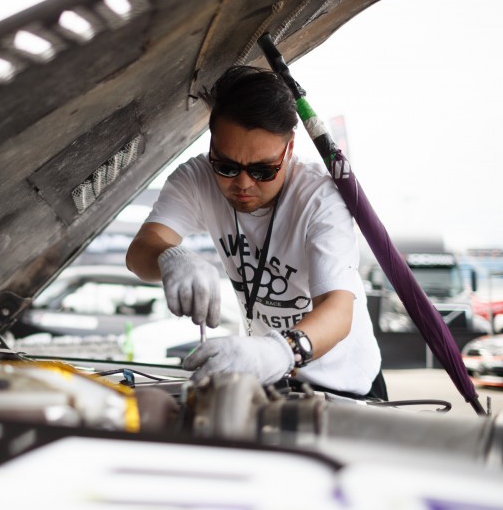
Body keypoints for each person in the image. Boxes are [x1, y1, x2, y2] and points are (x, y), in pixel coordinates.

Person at [126, 66, 385, 400]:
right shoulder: (195, 179)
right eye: (227, 167)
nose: (243, 184)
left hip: (344, 385)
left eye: (263, 170)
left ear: (289, 149)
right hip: (267, 378)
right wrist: (171, 257)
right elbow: (140, 251)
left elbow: (337, 310)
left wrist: (280, 351)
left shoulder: (320, 199)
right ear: (212, 144)